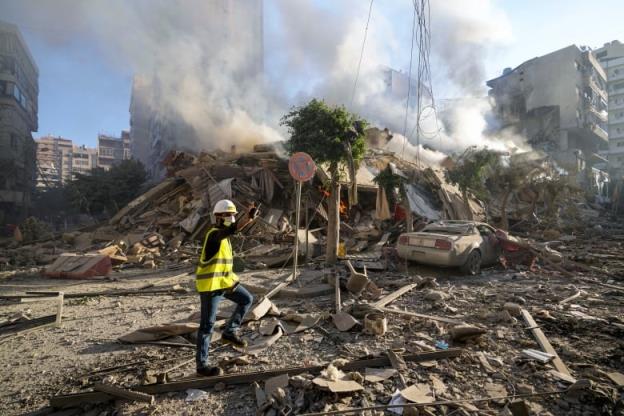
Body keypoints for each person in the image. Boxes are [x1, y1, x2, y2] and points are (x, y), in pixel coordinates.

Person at [195, 199, 258, 377]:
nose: (231, 217)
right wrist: (246, 218)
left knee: (246, 299)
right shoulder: (213, 235)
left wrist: (247, 219)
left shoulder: (226, 239)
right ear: (217, 217)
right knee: (207, 326)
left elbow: (232, 231)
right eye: (227, 215)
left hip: (225, 283)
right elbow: (231, 229)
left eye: (233, 214)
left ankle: (229, 332)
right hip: (210, 286)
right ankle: (202, 366)